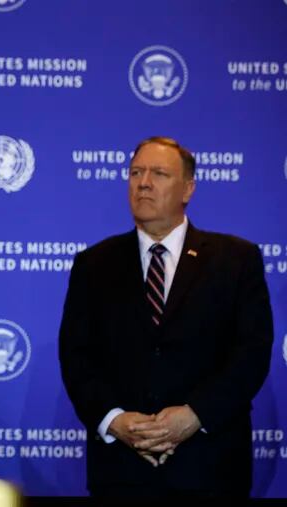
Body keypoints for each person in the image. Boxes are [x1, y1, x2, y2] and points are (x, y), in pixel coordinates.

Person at [58, 136, 273, 498]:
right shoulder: (94, 263)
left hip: (210, 466)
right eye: (136, 173)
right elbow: (76, 357)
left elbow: (251, 353)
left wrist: (194, 415)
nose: (143, 183)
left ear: (188, 188)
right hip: (122, 470)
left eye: (158, 173)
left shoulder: (236, 260)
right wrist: (116, 420)